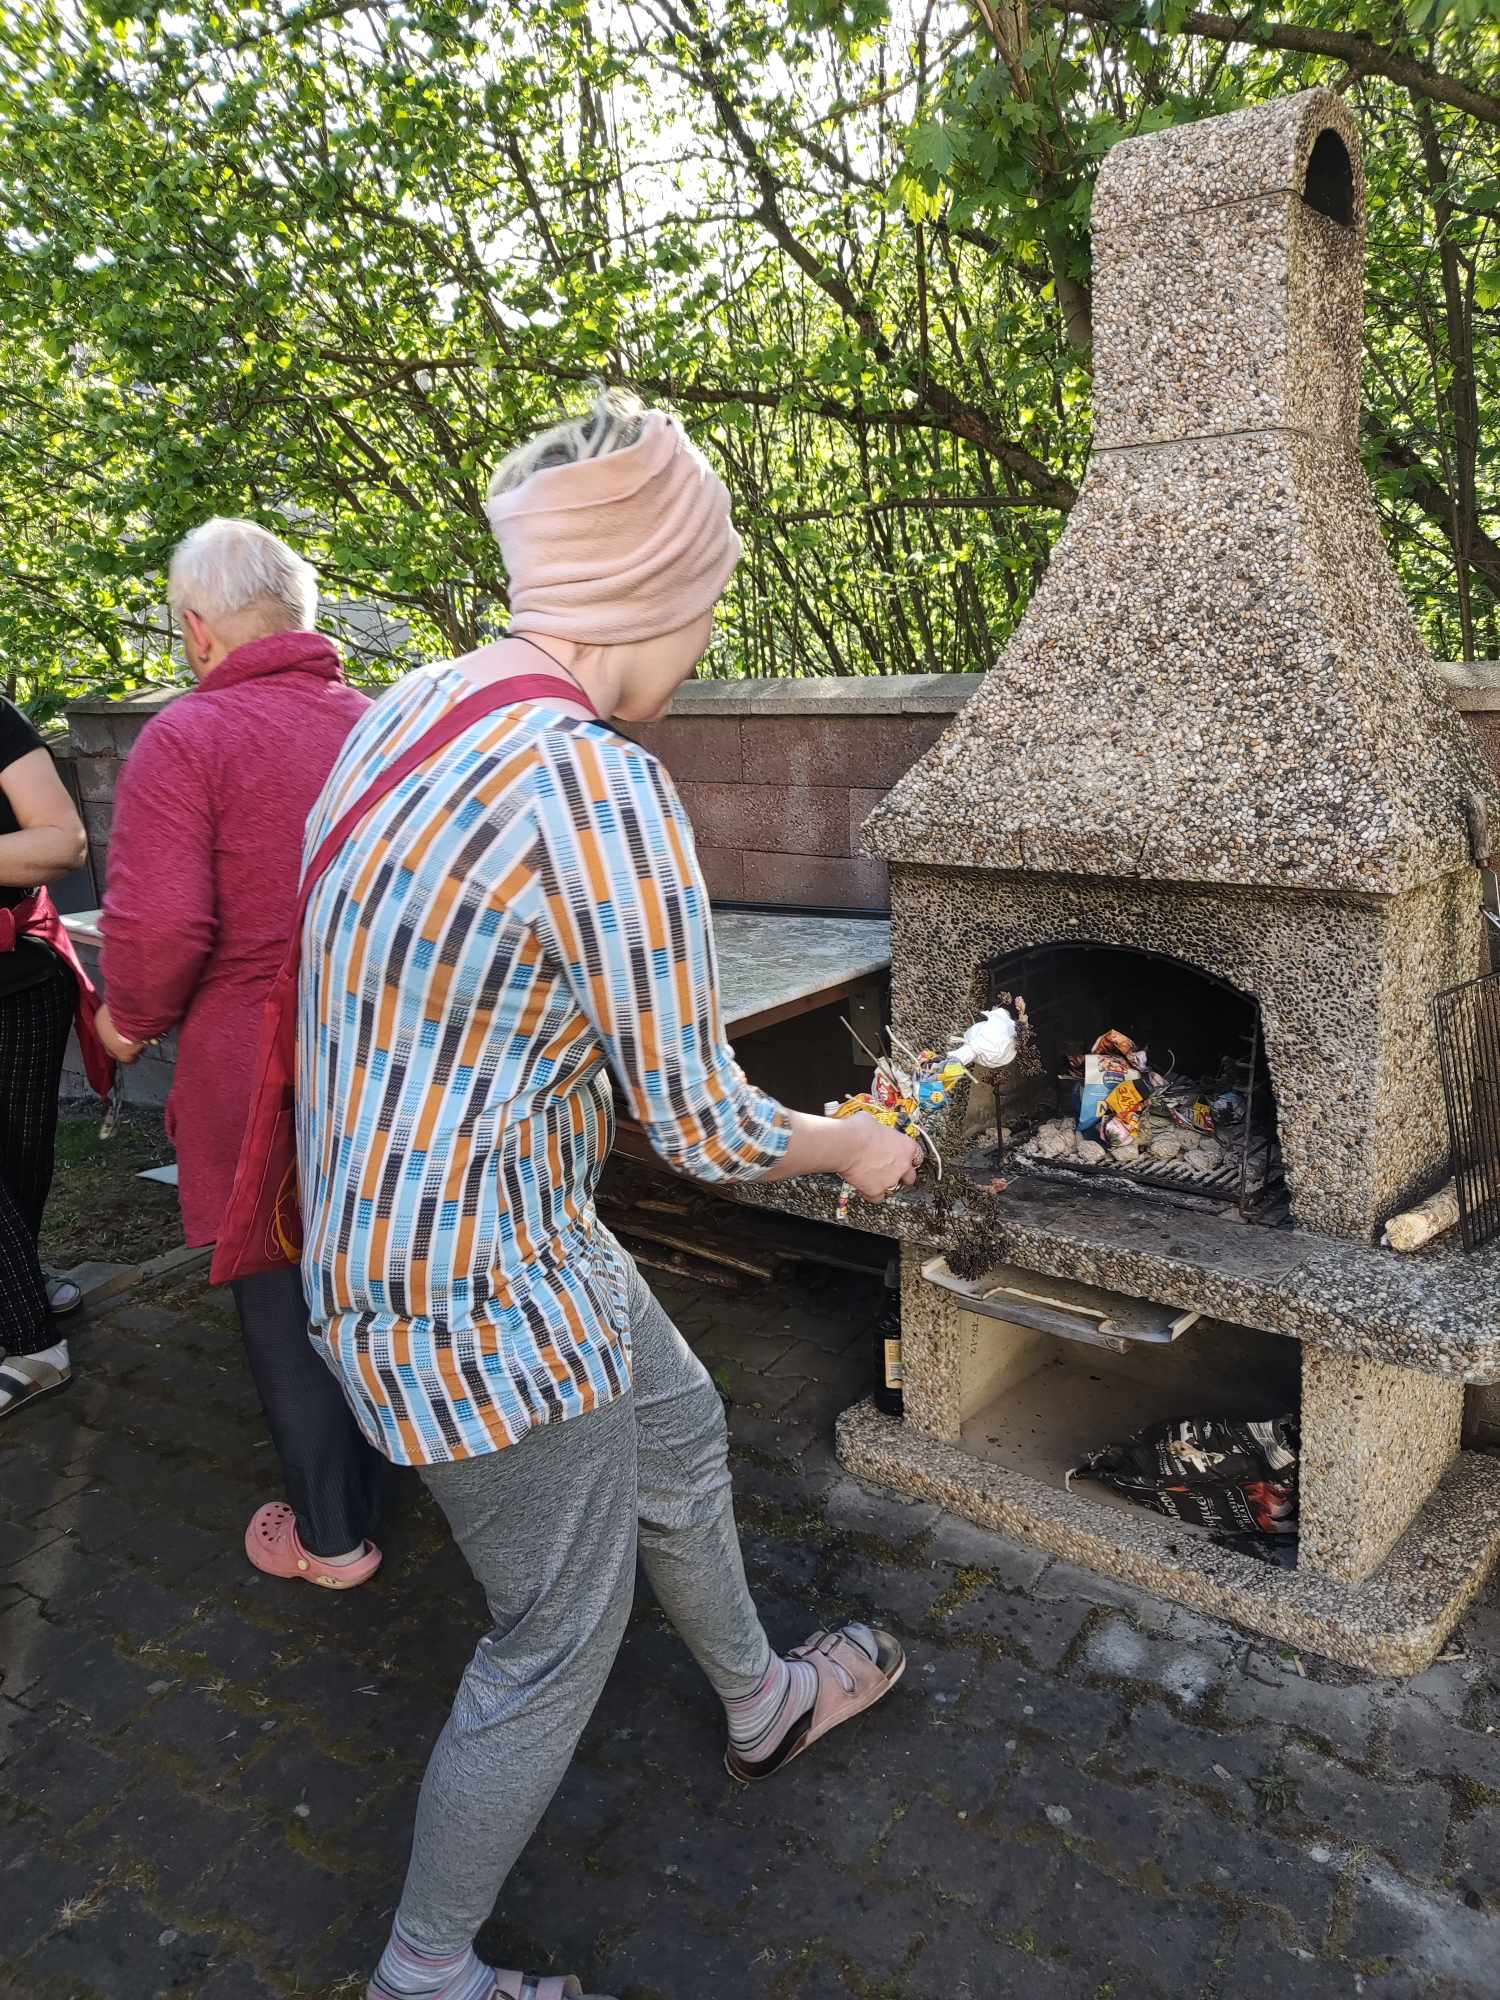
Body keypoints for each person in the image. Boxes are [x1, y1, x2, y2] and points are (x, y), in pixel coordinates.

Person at [291, 390, 922, 2000]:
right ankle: (425, 1970)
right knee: (552, 1639)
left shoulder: (409, 710)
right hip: (471, 1297)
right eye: (705, 597)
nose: (706, 639)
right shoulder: (597, 781)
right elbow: (705, 1126)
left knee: (684, 1428)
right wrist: (852, 1147)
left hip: (442, 1232)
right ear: (648, 591)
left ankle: (762, 1701)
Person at [97, 518, 386, 1587]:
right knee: (378, 1266)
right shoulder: (384, 724)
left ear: (196, 628)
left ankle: (333, 1540)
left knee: (278, 1276)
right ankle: (415, 1465)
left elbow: (162, 927)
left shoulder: (189, 737)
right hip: (391, 1044)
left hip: (260, 1064)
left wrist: (126, 1021)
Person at [0, 702, 113, 1418]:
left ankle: (20, 1302)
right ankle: (28, 1331)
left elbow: (61, 842)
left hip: (16, 977)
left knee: (20, 1162)